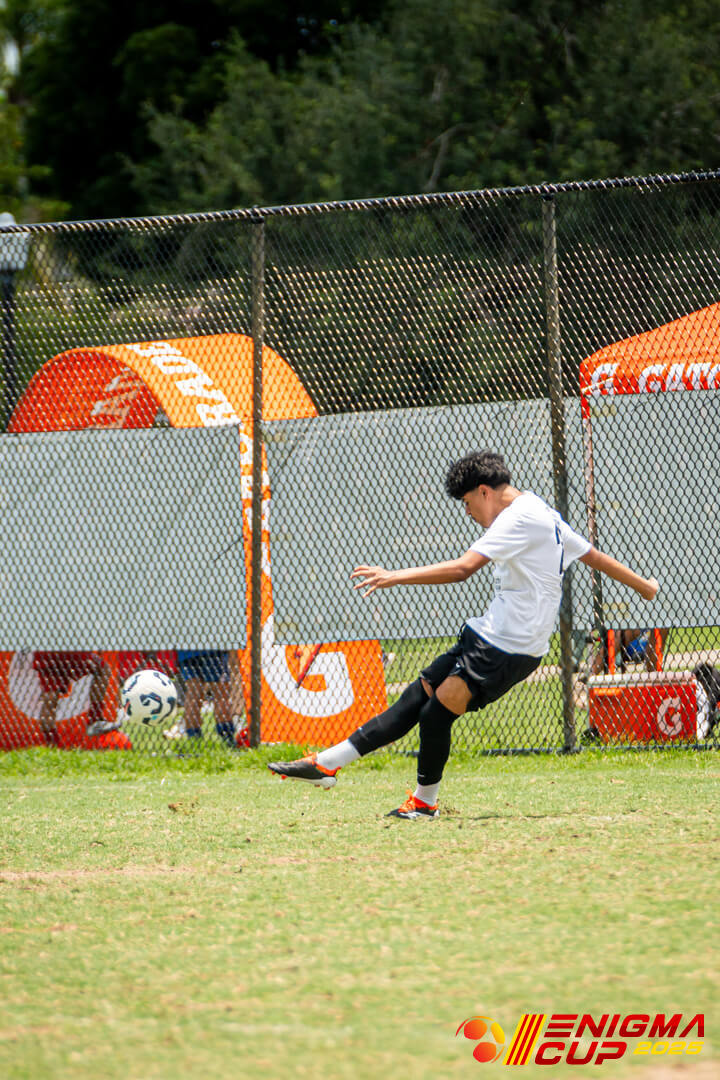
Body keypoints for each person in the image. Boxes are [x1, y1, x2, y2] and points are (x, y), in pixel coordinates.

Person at [268, 450, 659, 818]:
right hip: (489, 636)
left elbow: (462, 569)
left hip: (508, 648)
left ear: (485, 491)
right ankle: (326, 764)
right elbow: (591, 555)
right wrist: (643, 586)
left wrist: (394, 576)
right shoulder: (540, 510)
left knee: (435, 714)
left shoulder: (517, 519)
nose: (468, 512)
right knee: (416, 697)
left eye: (468, 502)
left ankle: (423, 804)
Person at [32, 650, 120, 744]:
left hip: (49, 654)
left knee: (50, 697)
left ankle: (52, 743)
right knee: (102, 669)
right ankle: (95, 719)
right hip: (64, 654)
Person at [168, 650, 241, 748]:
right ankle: (227, 737)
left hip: (186, 650)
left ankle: (194, 739)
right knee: (220, 692)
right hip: (212, 650)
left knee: (193, 692)